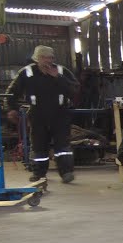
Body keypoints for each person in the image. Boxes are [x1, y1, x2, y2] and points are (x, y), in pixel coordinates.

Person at [7, 45, 79, 183]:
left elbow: (75, 90)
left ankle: (66, 172)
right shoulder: (27, 73)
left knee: (63, 146)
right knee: (38, 146)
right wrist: (11, 108)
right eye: (44, 57)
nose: (47, 61)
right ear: (37, 58)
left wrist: (58, 77)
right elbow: (12, 92)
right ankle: (39, 174)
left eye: (50, 58)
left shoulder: (61, 71)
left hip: (60, 115)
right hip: (37, 115)